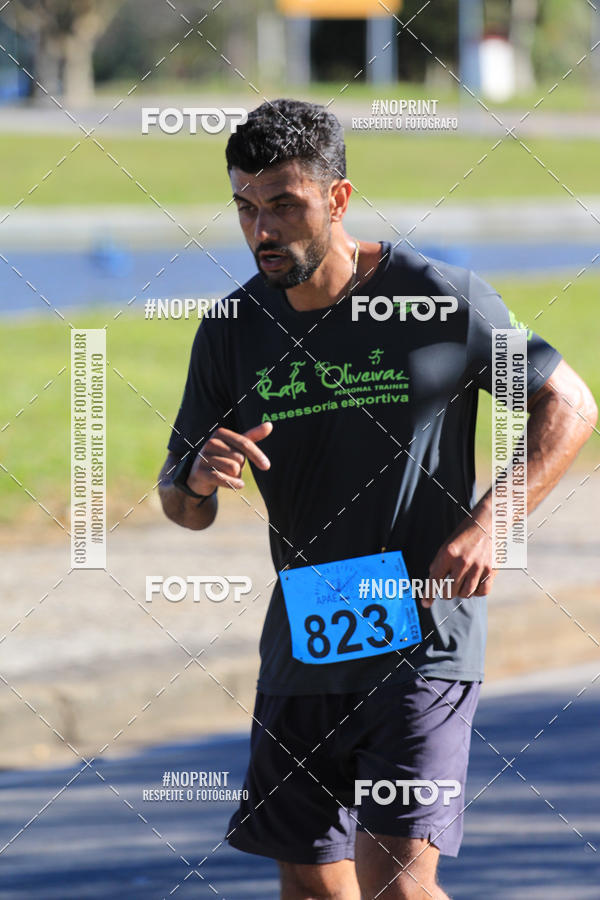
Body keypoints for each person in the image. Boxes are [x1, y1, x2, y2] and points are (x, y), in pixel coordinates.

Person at [158, 99, 596, 899]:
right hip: (308, 632)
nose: (263, 230)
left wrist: (491, 525)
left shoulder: (435, 300)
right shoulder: (231, 329)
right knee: (309, 883)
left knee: (395, 882)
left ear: (338, 198)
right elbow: (181, 505)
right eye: (246, 208)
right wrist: (194, 481)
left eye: (284, 204)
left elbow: (568, 403)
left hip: (424, 630)